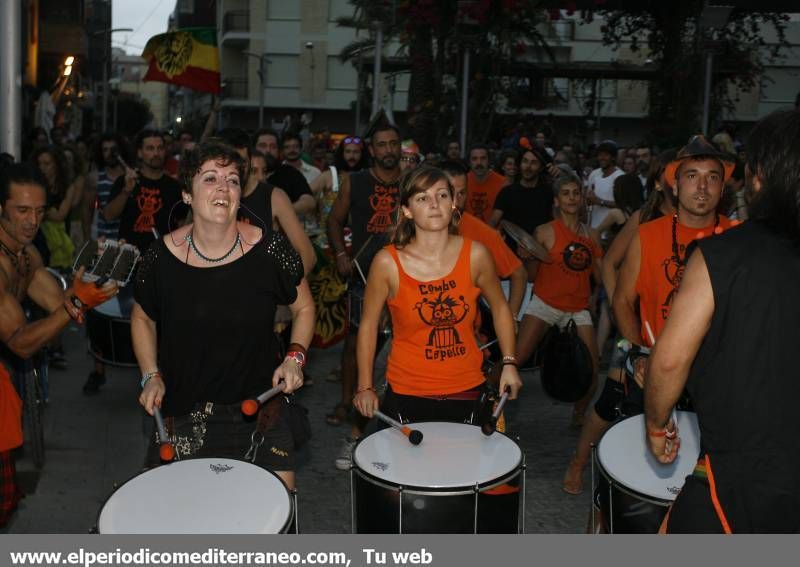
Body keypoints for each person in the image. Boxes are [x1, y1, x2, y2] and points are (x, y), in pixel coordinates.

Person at [645, 109, 800, 533]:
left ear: (758, 176)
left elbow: (670, 360)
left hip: (738, 475)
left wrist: (657, 424)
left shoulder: (720, 254)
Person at [132, 141, 315, 490]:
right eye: (210, 178)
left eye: (232, 180)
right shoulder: (159, 257)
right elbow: (142, 318)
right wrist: (150, 374)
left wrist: (295, 358)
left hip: (259, 409)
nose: (223, 187)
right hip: (184, 412)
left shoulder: (270, 249)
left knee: (277, 517)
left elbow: (304, 307)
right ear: (187, 194)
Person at [564, 135, 734, 497]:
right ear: (675, 182)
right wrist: (638, 351)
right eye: (692, 175)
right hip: (651, 366)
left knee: (705, 474)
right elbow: (623, 299)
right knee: (623, 467)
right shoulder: (648, 234)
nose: (702, 186)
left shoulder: (739, 238)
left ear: (723, 186)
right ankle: (597, 509)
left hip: (714, 378)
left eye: (712, 177)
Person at [353, 165, 522, 424]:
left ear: (454, 202)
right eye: (423, 198)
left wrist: (509, 362)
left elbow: (500, 308)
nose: (434, 204)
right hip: (407, 391)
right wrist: (365, 386)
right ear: (407, 210)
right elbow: (368, 325)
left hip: (467, 387)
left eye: (442, 195)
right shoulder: (387, 262)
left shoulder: (476, 255)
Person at [0, 163, 116, 526]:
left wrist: (98, 282)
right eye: (22, 210)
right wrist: (76, 303)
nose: (32, 220)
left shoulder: (27, 255)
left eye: (38, 211)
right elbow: (21, 343)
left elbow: (59, 306)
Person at [561, 149, 676, 495]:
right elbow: (609, 263)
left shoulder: (703, 223)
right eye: (676, 174)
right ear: (661, 181)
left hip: (678, 329)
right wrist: (618, 303)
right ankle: (579, 464)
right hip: (638, 326)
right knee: (612, 398)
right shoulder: (644, 218)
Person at [326, 124, 402, 468]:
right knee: (355, 342)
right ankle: (346, 402)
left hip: (403, 274)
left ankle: (393, 408)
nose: (388, 149)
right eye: (381, 144)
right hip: (363, 274)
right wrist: (342, 255)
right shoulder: (355, 182)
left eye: (392, 143)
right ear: (372, 150)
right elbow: (333, 220)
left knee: (398, 344)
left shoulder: (412, 182)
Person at [504, 174, 603, 427]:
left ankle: (579, 415)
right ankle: (488, 395)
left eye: (576, 193)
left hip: (578, 308)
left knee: (592, 370)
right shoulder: (545, 231)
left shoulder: (592, 235)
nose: (572, 198)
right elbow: (532, 277)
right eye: (566, 193)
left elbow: (600, 278)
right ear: (557, 200)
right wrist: (528, 258)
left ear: (582, 199)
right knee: (515, 357)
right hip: (545, 303)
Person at [441, 160, 527, 320]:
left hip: (466, 332)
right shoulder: (413, 224)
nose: (456, 201)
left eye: (462, 193)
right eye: (449, 193)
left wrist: (510, 317)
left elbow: (519, 273)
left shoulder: (480, 232)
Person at [101, 129, 184, 255]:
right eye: (150, 148)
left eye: (160, 148)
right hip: (128, 260)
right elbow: (108, 215)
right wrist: (126, 191)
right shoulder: (126, 181)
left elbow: (183, 224)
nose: (156, 153)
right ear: (140, 153)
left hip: (163, 260)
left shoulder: (174, 186)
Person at [253, 129, 316, 216]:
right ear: (253, 148)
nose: (268, 150)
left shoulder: (290, 173)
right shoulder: (244, 172)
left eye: (273, 146)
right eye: (263, 146)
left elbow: (309, 201)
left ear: (279, 151)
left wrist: (281, 213)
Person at [586, 140, 624, 229]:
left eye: (606, 155)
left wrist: (600, 201)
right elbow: (588, 198)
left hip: (611, 231)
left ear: (613, 157)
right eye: (600, 155)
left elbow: (623, 204)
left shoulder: (620, 176)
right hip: (593, 228)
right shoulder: (594, 174)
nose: (602, 158)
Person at [465, 145, 506, 223]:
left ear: (489, 161)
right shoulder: (462, 181)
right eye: (474, 159)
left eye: (483, 158)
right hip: (467, 232)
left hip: (493, 233)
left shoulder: (503, 184)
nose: (479, 163)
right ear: (469, 162)